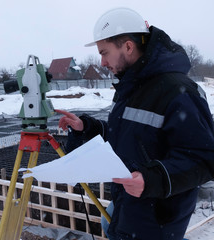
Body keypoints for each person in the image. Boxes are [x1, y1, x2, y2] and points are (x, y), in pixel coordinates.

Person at [56, 7, 214, 240]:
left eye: (105, 52)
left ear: (128, 47)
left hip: (157, 219)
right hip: (128, 205)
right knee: (108, 224)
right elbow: (130, 136)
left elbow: (204, 159)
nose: (101, 62)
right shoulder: (131, 87)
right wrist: (87, 128)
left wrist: (152, 179)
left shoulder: (179, 92)